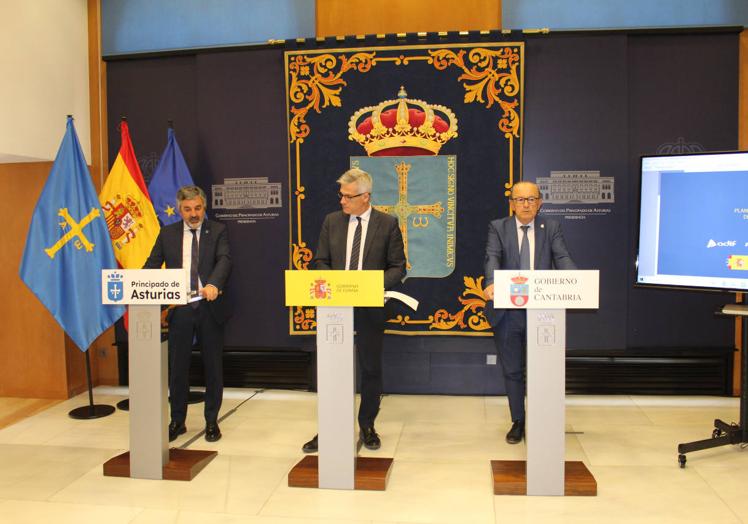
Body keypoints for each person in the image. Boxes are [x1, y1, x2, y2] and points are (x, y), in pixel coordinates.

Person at [302, 168, 406, 452]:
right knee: (333, 368)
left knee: (370, 368)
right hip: (335, 306)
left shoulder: (386, 224)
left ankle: (367, 425)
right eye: (341, 196)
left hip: (370, 306)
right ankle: (330, 428)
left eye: (348, 197)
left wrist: (370, 285)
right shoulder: (331, 222)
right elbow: (320, 260)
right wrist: (338, 284)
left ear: (365, 197)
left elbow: (399, 267)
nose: (342, 202)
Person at [483, 181, 576, 444]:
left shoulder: (552, 228)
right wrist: (490, 283)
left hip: (543, 312)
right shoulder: (498, 227)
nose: (526, 204)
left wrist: (576, 281)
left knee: (542, 369)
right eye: (520, 200)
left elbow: (563, 258)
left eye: (531, 199)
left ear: (540, 203)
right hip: (508, 312)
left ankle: (542, 419)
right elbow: (492, 257)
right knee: (512, 370)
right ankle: (518, 421)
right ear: (512, 203)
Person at [143, 185, 232, 442]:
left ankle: (212, 421)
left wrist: (214, 283)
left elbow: (225, 259)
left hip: (209, 307)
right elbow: (151, 264)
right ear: (179, 210)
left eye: (197, 208)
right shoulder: (167, 233)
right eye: (187, 209)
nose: (193, 214)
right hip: (179, 309)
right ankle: (177, 421)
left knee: (213, 367)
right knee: (177, 368)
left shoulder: (217, 231)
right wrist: (133, 284)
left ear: (204, 207)